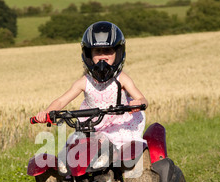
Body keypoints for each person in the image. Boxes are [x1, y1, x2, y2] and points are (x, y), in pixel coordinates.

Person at [36, 21, 148, 152]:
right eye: (98, 52)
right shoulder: (84, 82)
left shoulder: (122, 79)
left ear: (118, 53)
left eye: (108, 51)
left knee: (131, 156)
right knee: (71, 153)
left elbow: (142, 99)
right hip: (91, 128)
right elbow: (61, 101)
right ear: (89, 55)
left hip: (118, 128)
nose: (103, 57)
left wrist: (138, 103)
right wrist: (48, 112)